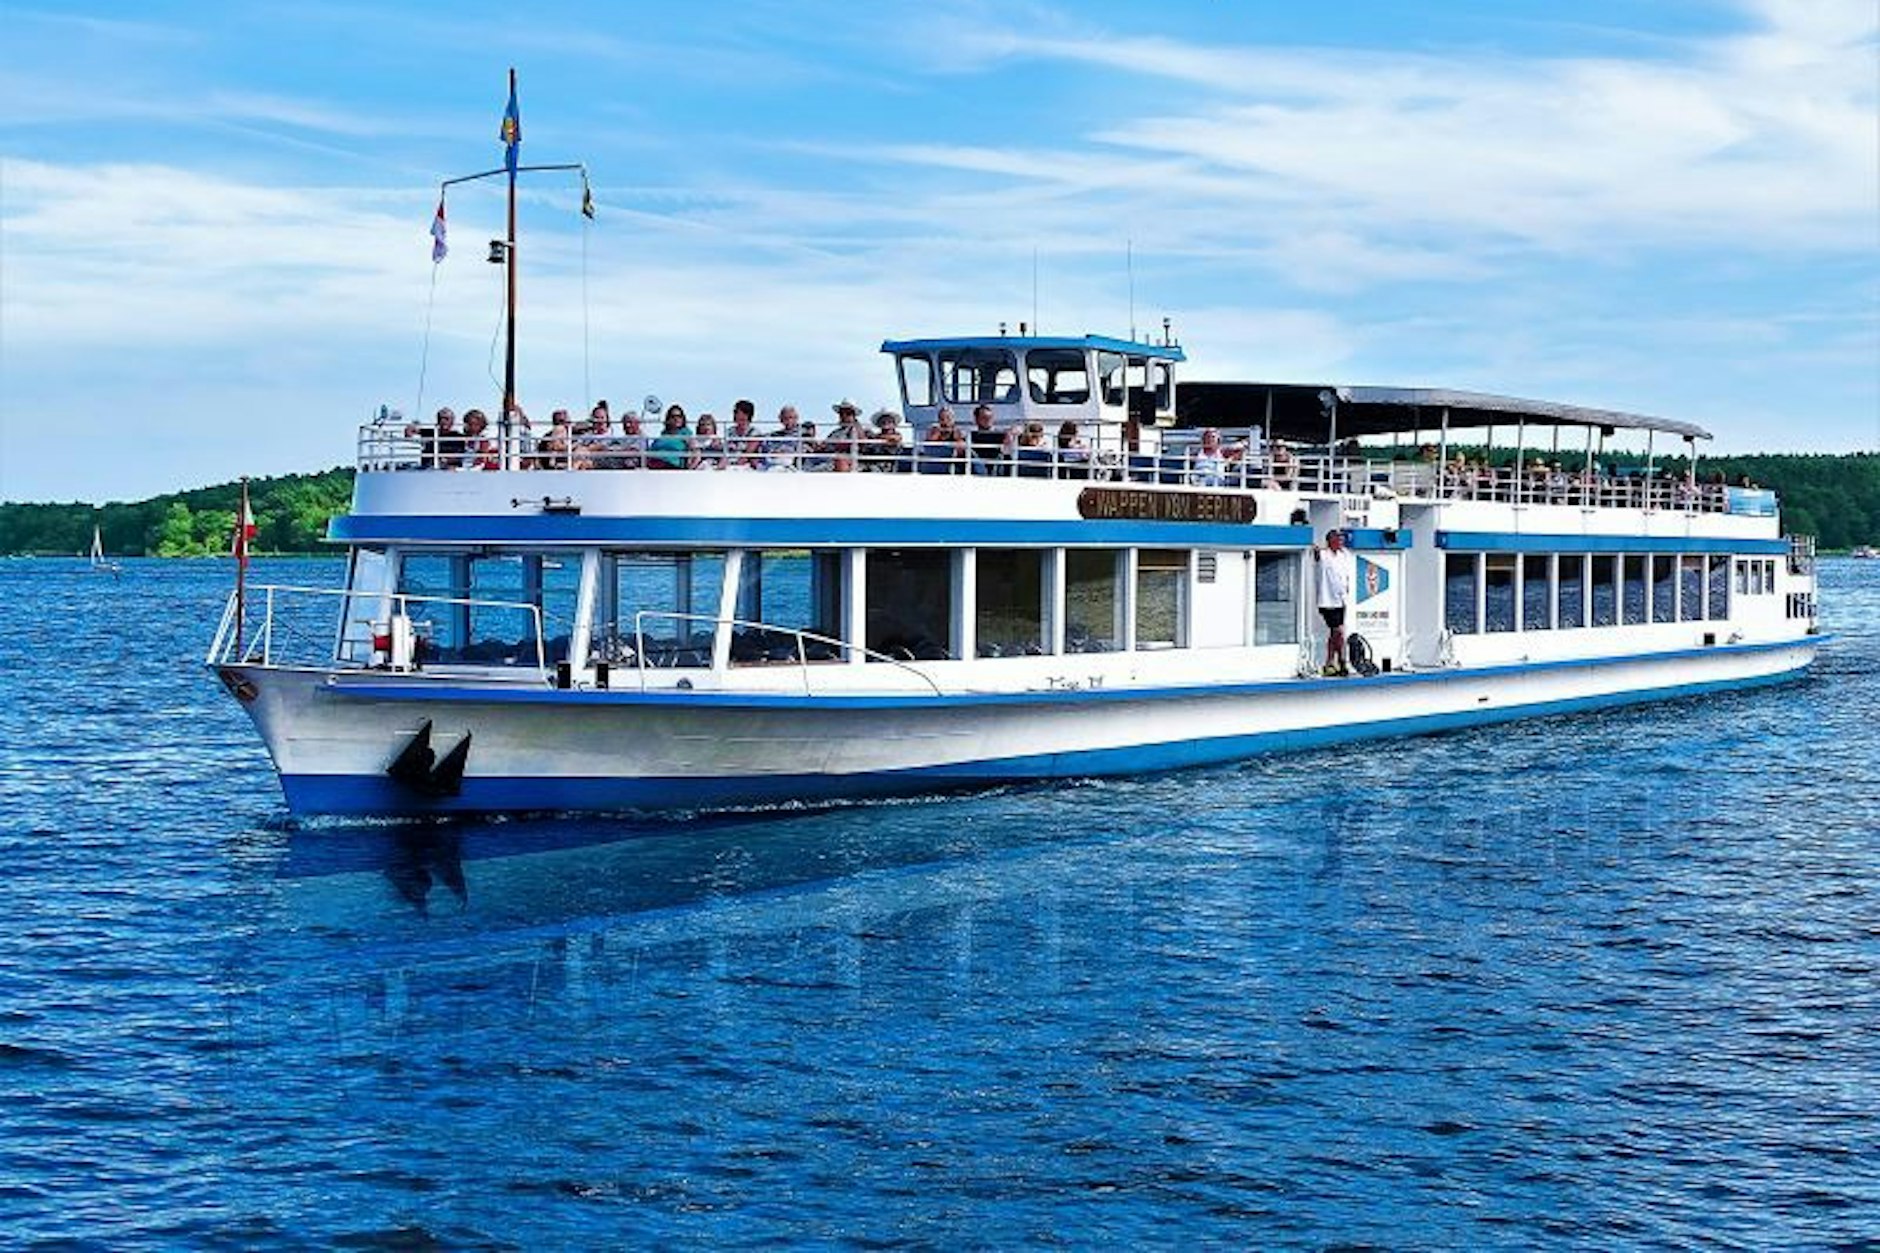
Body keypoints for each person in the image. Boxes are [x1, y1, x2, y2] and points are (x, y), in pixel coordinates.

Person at [1314, 528, 1358, 677]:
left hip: (1341, 600)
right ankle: (1339, 661)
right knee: (1338, 631)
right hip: (1327, 601)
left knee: (1336, 633)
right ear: (1330, 541)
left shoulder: (1343, 555)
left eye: (1341, 539)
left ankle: (1332, 662)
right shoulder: (1323, 555)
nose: (1340, 542)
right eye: (1337, 539)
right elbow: (1315, 551)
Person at [647, 404, 695, 469]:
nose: (676, 419)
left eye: (679, 416)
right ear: (668, 419)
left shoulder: (685, 433)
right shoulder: (663, 435)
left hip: (671, 465)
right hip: (653, 464)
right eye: (673, 416)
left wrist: (690, 469)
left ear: (683, 418)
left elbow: (695, 451)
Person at [967, 403, 1005, 475]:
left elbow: (1019, 431)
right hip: (977, 469)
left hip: (996, 468)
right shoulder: (971, 436)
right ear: (976, 419)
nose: (987, 420)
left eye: (990, 417)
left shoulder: (1000, 435)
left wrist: (1014, 431)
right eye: (984, 417)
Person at [726, 399, 762, 468]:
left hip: (746, 466)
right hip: (729, 463)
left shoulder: (755, 432)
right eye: (736, 412)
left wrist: (735, 465)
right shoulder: (730, 431)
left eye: (739, 412)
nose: (737, 415)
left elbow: (747, 454)